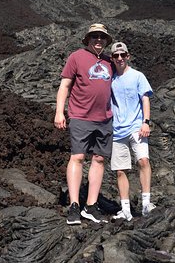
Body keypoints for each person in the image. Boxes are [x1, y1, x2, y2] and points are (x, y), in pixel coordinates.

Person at [54, 23, 114, 225]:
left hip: (105, 119)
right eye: (94, 36)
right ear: (87, 39)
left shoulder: (109, 61)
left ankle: (91, 205)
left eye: (102, 37)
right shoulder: (76, 57)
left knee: (99, 159)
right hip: (80, 116)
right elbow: (65, 85)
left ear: (106, 41)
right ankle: (74, 205)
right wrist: (59, 112)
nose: (98, 40)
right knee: (78, 157)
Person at [109, 41, 156, 221]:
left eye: (123, 55)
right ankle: (125, 209)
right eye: (116, 56)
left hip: (136, 127)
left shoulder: (138, 76)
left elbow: (145, 99)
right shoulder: (111, 79)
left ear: (128, 56)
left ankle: (146, 204)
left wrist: (146, 122)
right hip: (117, 130)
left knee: (143, 161)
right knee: (120, 170)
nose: (120, 58)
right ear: (112, 59)